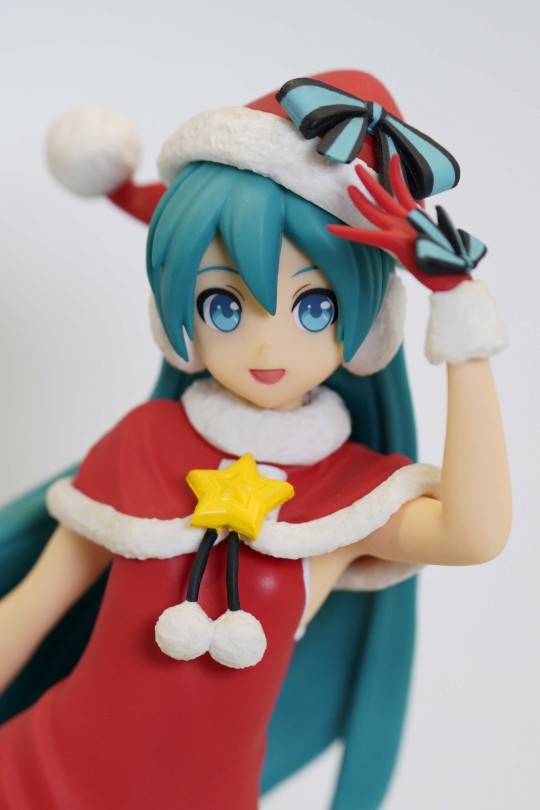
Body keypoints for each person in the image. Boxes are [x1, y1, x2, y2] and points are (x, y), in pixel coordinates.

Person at [0, 70, 510, 809]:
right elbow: (29, 611)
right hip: (35, 774)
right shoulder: (145, 443)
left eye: (313, 307)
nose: (267, 344)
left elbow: (473, 533)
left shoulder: (348, 495)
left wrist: (462, 323)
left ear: (369, 324)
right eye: (224, 305)